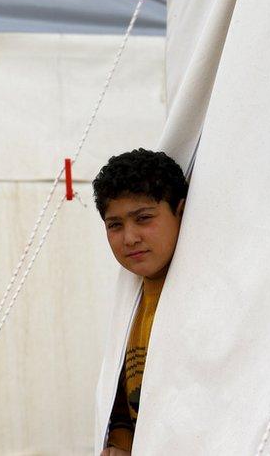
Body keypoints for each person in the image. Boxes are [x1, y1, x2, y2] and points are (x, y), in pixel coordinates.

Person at [92, 148, 188, 455]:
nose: (129, 238)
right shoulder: (131, 300)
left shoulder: (203, 299)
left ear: (181, 213)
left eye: (143, 218)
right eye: (115, 225)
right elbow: (125, 397)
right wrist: (119, 445)